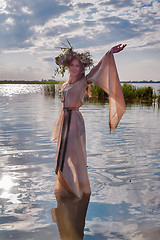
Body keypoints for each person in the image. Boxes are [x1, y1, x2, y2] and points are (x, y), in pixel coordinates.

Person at [51, 41, 126, 199]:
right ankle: (68, 190)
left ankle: (75, 190)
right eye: (72, 65)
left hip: (74, 122)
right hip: (66, 120)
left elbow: (97, 70)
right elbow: (57, 60)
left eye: (77, 66)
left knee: (71, 157)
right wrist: (66, 58)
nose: (74, 68)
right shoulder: (67, 84)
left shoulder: (83, 82)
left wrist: (109, 52)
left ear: (82, 69)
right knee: (64, 157)